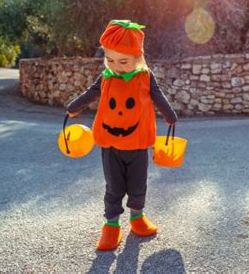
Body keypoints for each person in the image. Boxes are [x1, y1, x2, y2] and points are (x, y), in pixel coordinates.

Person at [65, 19, 178, 250]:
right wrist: (73, 107)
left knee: (138, 185)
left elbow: (158, 97)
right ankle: (111, 225)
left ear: (138, 58)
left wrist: (170, 116)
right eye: (110, 59)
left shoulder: (146, 77)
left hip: (137, 145)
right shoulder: (106, 76)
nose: (116, 65)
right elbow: (91, 93)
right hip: (111, 146)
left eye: (123, 61)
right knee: (113, 186)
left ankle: (137, 219)